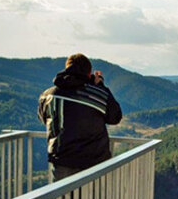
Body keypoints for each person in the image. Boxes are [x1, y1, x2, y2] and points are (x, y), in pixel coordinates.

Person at [38, 53, 123, 181]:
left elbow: (43, 118)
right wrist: (100, 86)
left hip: (61, 162)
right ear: (89, 74)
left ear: (67, 68)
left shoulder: (48, 95)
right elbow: (115, 117)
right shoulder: (97, 95)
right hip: (94, 163)